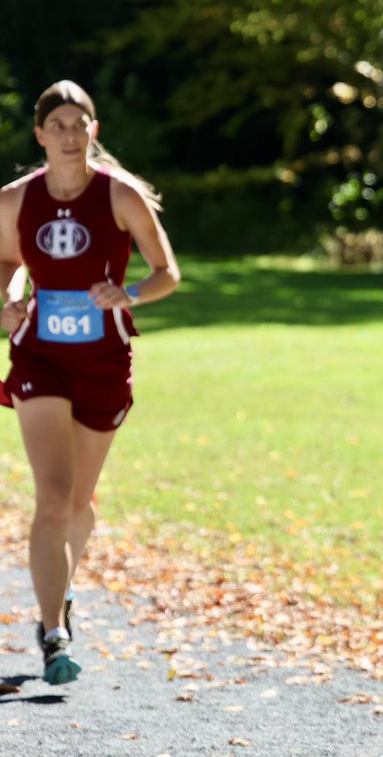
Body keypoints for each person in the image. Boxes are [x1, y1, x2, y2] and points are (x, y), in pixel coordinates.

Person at [0, 80, 180, 685]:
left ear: (93, 131)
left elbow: (166, 274)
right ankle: (53, 635)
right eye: (59, 125)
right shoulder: (15, 201)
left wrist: (124, 293)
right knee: (53, 494)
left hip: (104, 361)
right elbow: (4, 264)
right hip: (39, 361)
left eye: (81, 124)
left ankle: (62, 593)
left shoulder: (121, 196)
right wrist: (7, 300)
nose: (71, 135)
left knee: (79, 503)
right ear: (40, 135)